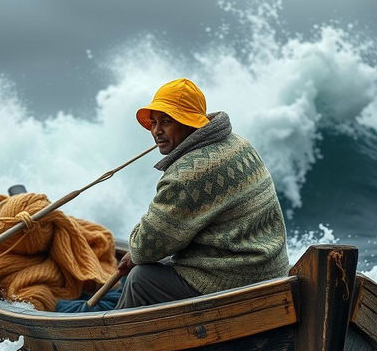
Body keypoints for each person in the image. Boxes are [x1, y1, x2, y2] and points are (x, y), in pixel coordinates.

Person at [116, 78, 289, 308]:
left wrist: (137, 253)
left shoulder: (188, 174)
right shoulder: (238, 143)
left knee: (141, 279)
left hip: (237, 280)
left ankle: (108, 338)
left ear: (190, 123)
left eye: (167, 121)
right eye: (154, 122)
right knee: (158, 262)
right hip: (270, 269)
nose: (157, 131)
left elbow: (145, 245)